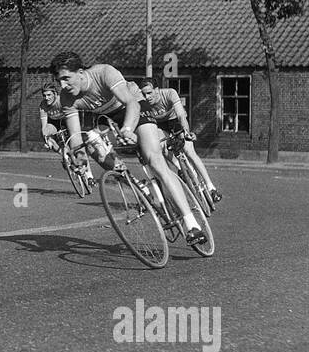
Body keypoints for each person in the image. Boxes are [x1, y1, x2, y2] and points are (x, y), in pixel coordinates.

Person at [51, 51, 207, 248]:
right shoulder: (66, 97)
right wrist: (78, 159)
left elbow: (131, 103)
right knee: (89, 141)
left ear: (81, 72)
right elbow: (75, 138)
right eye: (59, 81)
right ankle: (135, 184)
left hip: (136, 106)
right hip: (110, 117)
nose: (63, 86)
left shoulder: (104, 73)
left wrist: (127, 129)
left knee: (155, 162)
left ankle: (191, 224)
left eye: (66, 78)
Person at [138, 77, 220, 203]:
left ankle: (210, 187)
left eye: (149, 93)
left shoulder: (170, 93)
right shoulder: (143, 103)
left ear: (157, 90)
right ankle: (180, 168)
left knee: (189, 150)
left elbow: (181, 115)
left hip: (174, 120)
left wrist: (186, 132)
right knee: (161, 144)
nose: (147, 97)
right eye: (144, 94)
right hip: (159, 125)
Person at [38, 84, 67, 149]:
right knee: (45, 133)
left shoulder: (61, 101)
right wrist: (46, 139)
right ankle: (62, 154)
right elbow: (44, 126)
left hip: (65, 121)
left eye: (49, 95)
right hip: (53, 122)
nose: (46, 98)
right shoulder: (43, 105)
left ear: (55, 94)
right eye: (44, 95)